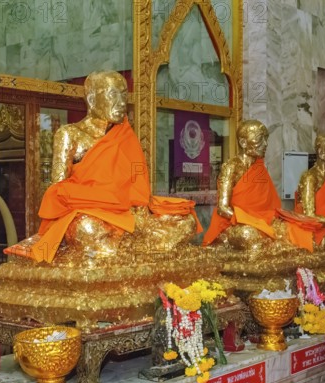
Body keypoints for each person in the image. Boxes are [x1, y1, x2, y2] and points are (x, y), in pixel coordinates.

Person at [27, 70, 199, 262]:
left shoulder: (125, 135)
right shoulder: (71, 134)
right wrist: (98, 200)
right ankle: (145, 247)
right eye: (112, 95)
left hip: (128, 211)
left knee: (187, 221)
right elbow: (58, 188)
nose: (122, 103)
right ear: (92, 99)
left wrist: (141, 214)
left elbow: (138, 180)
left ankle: (125, 247)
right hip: (95, 214)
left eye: (124, 95)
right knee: (86, 228)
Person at [202, 119, 281, 249]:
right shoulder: (231, 167)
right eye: (260, 139)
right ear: (243, 142)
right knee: (249, 234)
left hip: (260, 220)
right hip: (234, 223)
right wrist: (250, 221)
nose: (265, 144)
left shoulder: (259, 168)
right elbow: (223, 208)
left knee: (287, 229)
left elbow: (268, 205)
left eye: (266, 139)